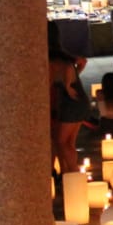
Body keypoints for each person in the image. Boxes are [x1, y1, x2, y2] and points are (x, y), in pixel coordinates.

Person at [48, 22, 91, 178]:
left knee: (61, 141)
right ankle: (68, 175)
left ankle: (74, 173)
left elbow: (51, 80)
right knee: (68, 143)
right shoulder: (63, 55)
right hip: (79, 99)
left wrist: (66, 85)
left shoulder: (50, 58)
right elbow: (82, 61)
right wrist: (73, 77)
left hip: (69, 102)